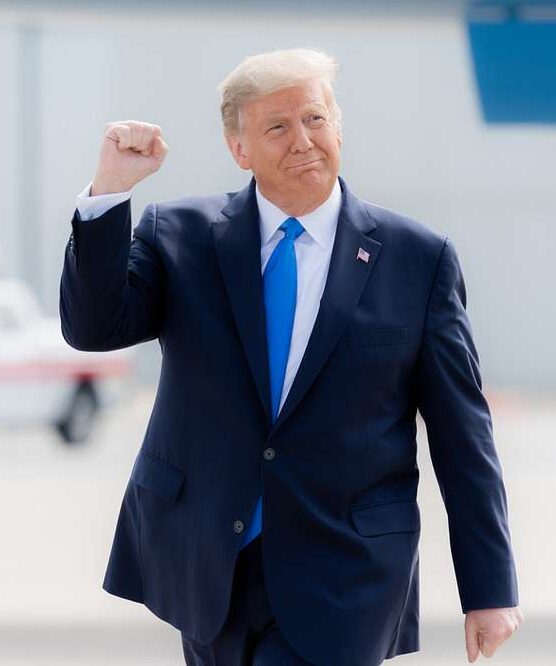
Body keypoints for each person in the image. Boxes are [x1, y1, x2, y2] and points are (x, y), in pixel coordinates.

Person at [59, 48, 523, 666]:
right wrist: (110, 192)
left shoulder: (417, 258)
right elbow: (93, 328)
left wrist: (488, 589)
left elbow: (463, 434)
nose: (303, 141)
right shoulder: (181, 237)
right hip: (206, 566)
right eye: (278, 127)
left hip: (345, 573)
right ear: (239, 149)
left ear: (338, 126)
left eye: (315, 119)